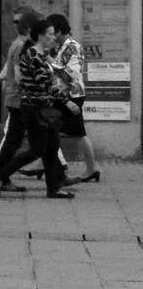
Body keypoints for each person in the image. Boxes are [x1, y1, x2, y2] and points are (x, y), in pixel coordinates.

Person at [0, 19, 71, 199]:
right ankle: (1, 174)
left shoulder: (42, 55)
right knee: (37, 150)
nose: (53, 37)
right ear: (40, 36)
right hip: (35, 108)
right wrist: (66, 102)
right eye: (50, 34)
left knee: (52, 147)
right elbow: (45, 84)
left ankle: (53, 188)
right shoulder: (33, 55)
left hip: (45, 107)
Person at [0, 5, 39, 178]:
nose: (15, 26)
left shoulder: (23, 44)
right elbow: (17, 73)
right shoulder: (20, 46)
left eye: (18, 22)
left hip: (19, 97)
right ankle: (1, 174)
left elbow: (11, 68)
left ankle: (0, 171)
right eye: (14, 22)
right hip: (20, 97)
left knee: (18, 137)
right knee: (19, 138)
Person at [45, 13, 100, 183]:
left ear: (60, 31)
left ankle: (91, 169)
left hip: (72, 95)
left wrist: (46, 57)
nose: (52, 37)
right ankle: (44, 165)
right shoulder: (65, 46)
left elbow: (67, 75)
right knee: (51, 130)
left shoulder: (71, 47)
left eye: (53, 33)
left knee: (77, 133)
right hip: (66, 95)